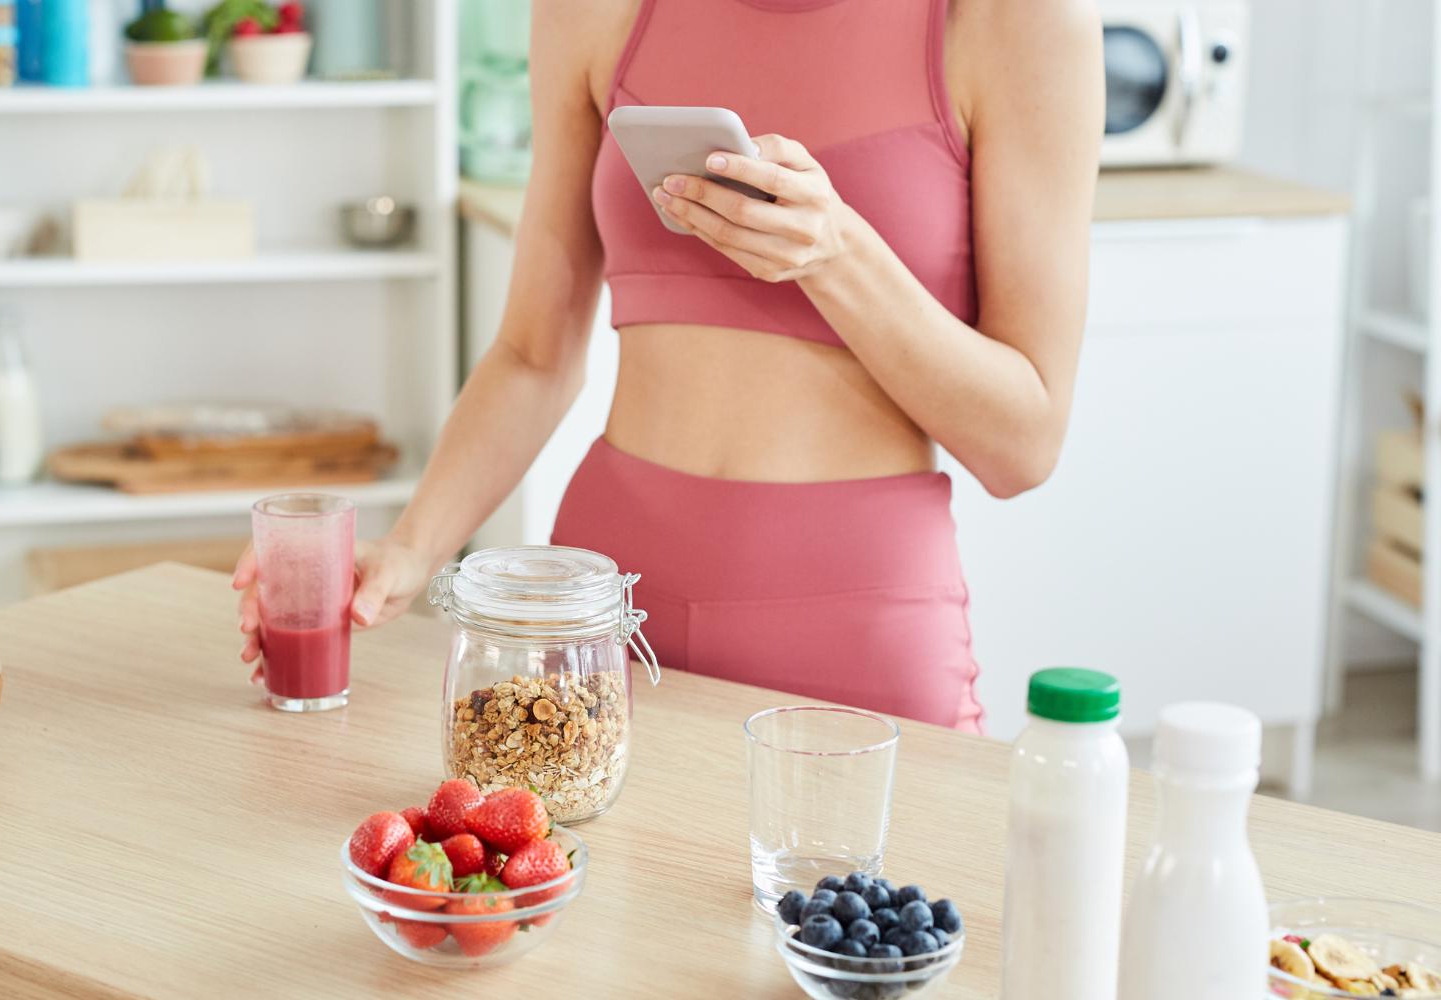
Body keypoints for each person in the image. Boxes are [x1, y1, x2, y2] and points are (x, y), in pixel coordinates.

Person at [236, 0, 1102, 731]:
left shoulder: (1014, 21)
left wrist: (836, 255)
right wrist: (409, 551)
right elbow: (535, 355)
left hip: (860, 622)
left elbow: (1023, 444)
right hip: (601, 608)